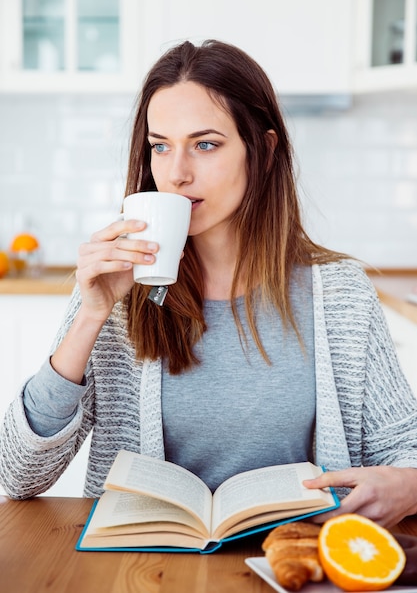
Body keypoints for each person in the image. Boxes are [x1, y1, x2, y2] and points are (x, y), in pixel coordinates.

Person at [1, 39, 417, 529]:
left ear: (261, 149)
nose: (175, 174)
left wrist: (408, 483)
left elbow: (403, 450)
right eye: (160, 146)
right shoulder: (117, 293)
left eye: (205, 144)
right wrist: (91, 315)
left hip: (292, 563)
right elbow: (19, 474)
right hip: (144, 567)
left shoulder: (340, 294)